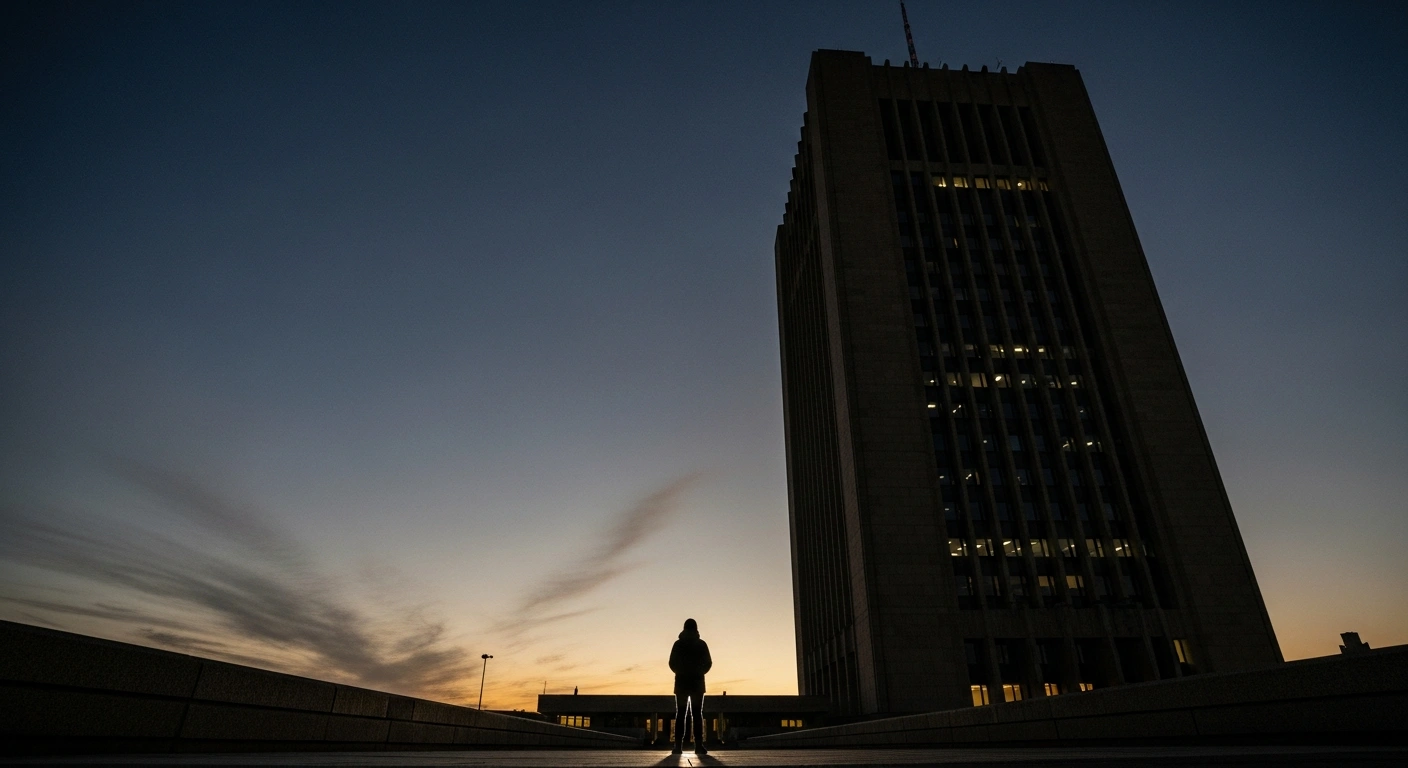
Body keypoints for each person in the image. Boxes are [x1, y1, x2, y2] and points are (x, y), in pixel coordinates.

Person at [668, 618, 712, 755]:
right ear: (696, 628)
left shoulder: (678, 644)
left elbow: (671, 663)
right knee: (697, 714)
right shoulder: (701, 644)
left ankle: (678, 747)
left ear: (684, 628)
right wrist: (700, 672)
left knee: (680, 714)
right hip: (697, 684)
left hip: (681, 683)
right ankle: (698, 746)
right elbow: (708, 663)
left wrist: (680, 672)